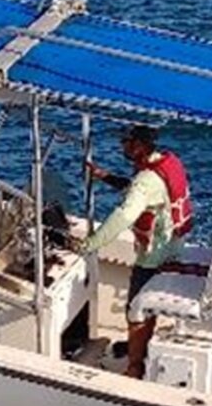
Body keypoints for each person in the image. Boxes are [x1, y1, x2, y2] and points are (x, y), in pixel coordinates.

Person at [77, 124, 193, 378]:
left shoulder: (145, 181)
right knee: (142, 307)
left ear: (139, 145)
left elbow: (125, 215)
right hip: (174, 247)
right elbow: (140, 190)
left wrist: (89, 244)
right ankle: (138, 353)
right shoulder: (167, 164)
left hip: (154, 258)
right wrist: (104, 176)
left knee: (135, 311)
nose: (123, 146)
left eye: (126, 142)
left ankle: (134, 367)